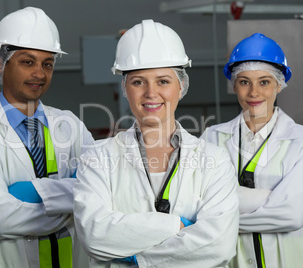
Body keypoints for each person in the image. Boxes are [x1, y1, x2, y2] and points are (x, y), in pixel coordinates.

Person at [73, 19, 239, 268]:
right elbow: (94, 236)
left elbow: (219, 245)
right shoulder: (96, 159)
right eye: (138, 81)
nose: (151, 93)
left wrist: (138, 257)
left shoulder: (214, 160)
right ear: (125, 87)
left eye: (163, 81)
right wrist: (177, 226)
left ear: (181, 86)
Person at [0, 7, 94, 268]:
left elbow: (102, 191)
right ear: (1, 63)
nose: (39, 74)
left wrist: (36, 195)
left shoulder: (70, 125)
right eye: (27, 62)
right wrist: (74, 208)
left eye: (47, 64)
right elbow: (0, 220)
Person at [201, 33, 303, 268]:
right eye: (244, 82)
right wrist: (269, 198)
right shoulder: (211, 138)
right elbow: (198, 204)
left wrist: (223, 215)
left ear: (279, 85)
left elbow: (293, 214)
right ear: (234, 85)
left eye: (264, 82)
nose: (254, 93)